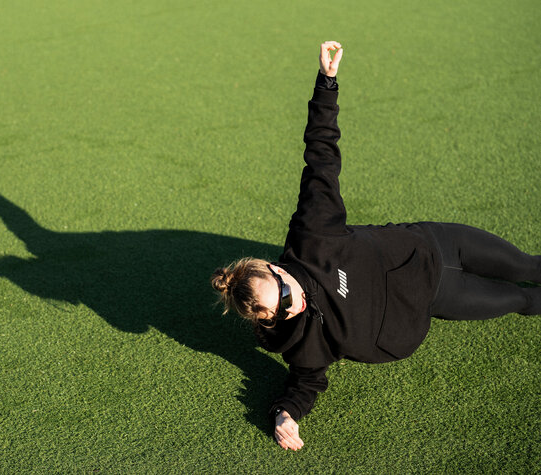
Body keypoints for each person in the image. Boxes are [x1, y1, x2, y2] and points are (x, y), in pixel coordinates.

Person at [211, 41, 541, 451]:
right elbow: (306, 380)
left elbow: (321, 160)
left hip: (438, 241)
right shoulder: (299, 336)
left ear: (276, 270)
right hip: (437, 296)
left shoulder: (314, 235)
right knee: (522, 302)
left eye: (282, 293)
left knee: (529, 266)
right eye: (278, 312)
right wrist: (285, 414)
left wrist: (326, 84)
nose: (290, 306)